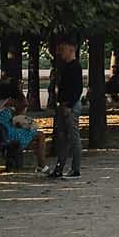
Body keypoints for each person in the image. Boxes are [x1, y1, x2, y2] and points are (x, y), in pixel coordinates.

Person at [44, 39, 84, 179]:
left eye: (63, 49)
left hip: (70, 106)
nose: (61, 53)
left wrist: (69, 105)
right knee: (62, 138)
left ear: (71, 49)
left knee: (73, 138)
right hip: (64, 105)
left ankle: (75, 169)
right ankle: (59, 168)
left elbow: (77, 89)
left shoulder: (75, 66)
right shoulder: (67, 66)